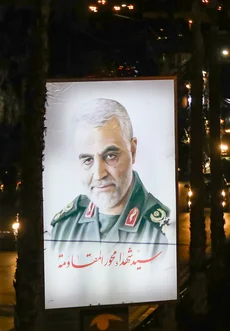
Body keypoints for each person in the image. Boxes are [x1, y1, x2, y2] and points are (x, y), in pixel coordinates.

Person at [49, 98, 171, 254]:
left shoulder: (164, 231)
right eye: (87, 160)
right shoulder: (64, 228)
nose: (99, 174)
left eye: (111, 156)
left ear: (132, 151)